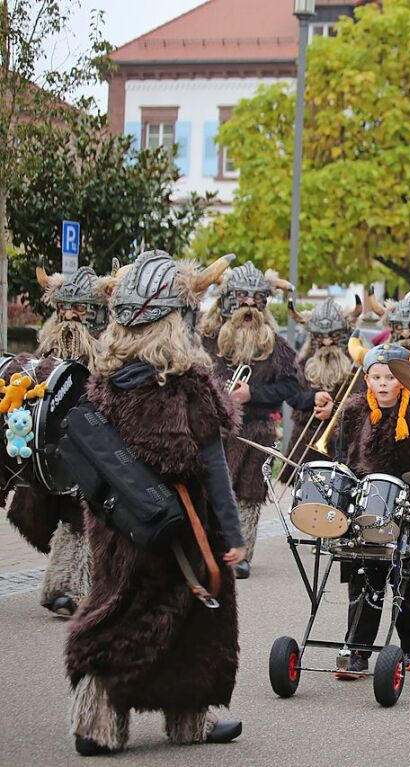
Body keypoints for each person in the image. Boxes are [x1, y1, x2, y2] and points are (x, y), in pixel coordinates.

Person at [65, 250, 245, 756]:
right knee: (196, 618)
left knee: (116, 605)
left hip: (116, 523)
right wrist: (232, 536)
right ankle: (188, 723)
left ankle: (97, 723)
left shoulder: (104, 381)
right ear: (177, 319)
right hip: (184, 523)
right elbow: (212, 470)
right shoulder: (189, 385)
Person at [2, 264, 113, 617]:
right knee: (45, 510)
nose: (68, 315)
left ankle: (63, 589)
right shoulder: (44, 356)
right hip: (44, 450)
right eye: (63, 308)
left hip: (89, 449)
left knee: (79, 515)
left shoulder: (110, 354)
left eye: (78, 308)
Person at [332, 340, 410, 677]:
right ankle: (358, 652)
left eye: (390, 378)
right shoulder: (354, 411)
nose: (382, 384)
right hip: (366, 507)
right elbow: (340, 455)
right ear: (366, 379)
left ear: (404, 381)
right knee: (365, 579)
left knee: (405, 582)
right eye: (376, 377)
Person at [198, 261, 300, 579]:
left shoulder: (276, 344)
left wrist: (251, 394)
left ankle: (241, 555)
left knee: (249, 493)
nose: (249, 305)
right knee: (211, 489)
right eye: (241, 297)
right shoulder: (207, 338)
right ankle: (209, 550)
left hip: (257, 430)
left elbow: (290, 385)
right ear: (228, 300)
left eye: (256, 299)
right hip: (214, 430)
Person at [282, 296, 362, 477]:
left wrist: (333, 411)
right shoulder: (302, 364)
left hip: (343, 444)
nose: (327, 342)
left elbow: (361, 402)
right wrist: (312, 399)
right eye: (321, 337)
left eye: (333, 336)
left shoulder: (356, 367)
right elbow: (291, 396)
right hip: (305, 441)